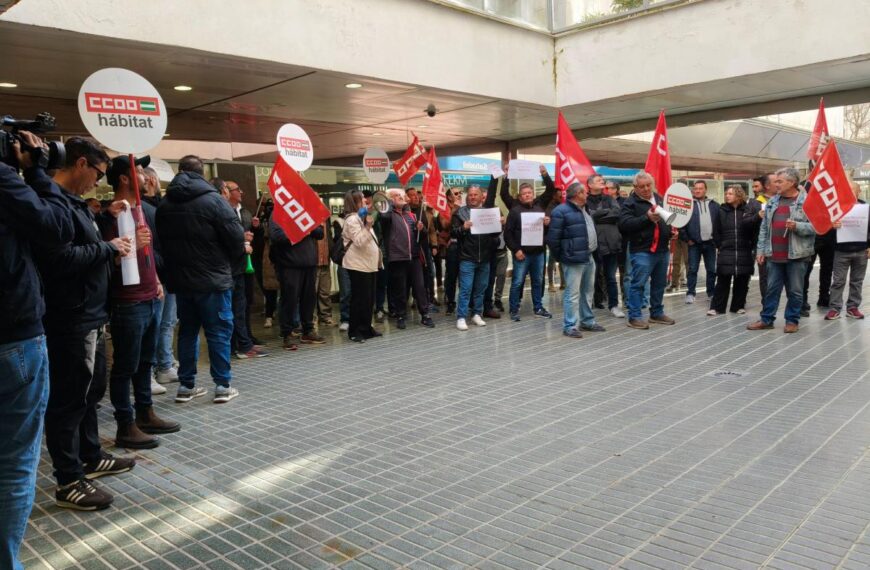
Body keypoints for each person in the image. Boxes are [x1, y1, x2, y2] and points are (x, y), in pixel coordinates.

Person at [37, 137, 136, 511]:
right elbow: (58, 258)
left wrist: (105, 221)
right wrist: (109, 249)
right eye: (96, 173)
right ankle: (68, 478)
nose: (98, 181)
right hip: (70, 316)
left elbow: (81, 244)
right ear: (80, 163)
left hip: (91, 312)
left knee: (91, 391)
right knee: (70, 398)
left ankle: (91, 456)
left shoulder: (74, 205)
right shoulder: (50, 203)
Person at [0, 131, 75, 566]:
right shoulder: (7, 181)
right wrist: (37, 172)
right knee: (13, 464)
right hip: (12, 337)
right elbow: (58, 229)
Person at [101, 156, 180, 448]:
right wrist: (132, 243)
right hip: (127, 301)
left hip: (149, 296)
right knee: (125, 365)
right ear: (124, 178)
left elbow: (153, 253)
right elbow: (107, 258)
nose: (146, 176)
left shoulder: (144, 210)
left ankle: (145, 412)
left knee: (145, 362)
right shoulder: (109, 216)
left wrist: (157, 279)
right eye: (139, 171)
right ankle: (125, 423)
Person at [156, 155, 245, 403]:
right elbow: (236, 239)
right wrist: (227, 263)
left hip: (181, 281)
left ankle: (186, 386)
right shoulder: (214, 201)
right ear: (202, 172)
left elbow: (161, 242)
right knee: (218, 332)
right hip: (213, 280)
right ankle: (222, 385)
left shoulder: (165, 204)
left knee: (187, 332)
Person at [748, 167, 816, 333]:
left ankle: (792, 321)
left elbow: (817, 227)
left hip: (797, 256)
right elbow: (764, 228)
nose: (775, 184)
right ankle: (767, 319)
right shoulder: (772, 202)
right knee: (771, 290)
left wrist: (798, 226)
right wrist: (761, 251)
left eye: (779, 181)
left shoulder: (807, 201)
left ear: (792, 182)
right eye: (775, 181)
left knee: (795, 291)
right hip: (774, 255)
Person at [618, 171, 676, 329]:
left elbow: (664, 220)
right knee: (638, 284)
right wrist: (646, 218)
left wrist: (670, 231)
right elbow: (624, 225)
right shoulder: (630, 203)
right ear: (635, 187)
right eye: (641, 186)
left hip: (662, 249)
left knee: (659, 284)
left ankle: (656, 313)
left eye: (648, 185)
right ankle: (634, 317)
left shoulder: (658, 198)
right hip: (642, 250)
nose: (645, 189)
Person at [548, 182, 606, 338]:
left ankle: (587, 321)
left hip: (589, 256)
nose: (587, 195)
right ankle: (570, 325)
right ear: (578, 194)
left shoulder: (584, 209)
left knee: (588, 291)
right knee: (572, 294)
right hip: (573, 259)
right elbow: (553, 239)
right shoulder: (560, 211)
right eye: (584, 192)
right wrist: (563, 256)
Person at [502, 163, 556, 320]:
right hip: (522, 253)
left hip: (539, 252)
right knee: (518, 282)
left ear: (533, 194)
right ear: (519, 196)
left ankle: (538, 308)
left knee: (538, 281)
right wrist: (516, 250)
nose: (527, 195)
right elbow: (508, 234)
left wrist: (545, 174)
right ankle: (513, 309)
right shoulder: (514, 208)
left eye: (529, 192)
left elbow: (551, 190)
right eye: (524, 193)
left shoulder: (540, 204)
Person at [270, 206, 327, 348]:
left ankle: (308, 330)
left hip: (309, 262)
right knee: (289, 299)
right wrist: (299, 231)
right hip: (289, 265)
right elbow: (276, 236)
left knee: (309, 299)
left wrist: (309, 227)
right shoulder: (278, 213)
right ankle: (287, 333)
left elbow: (320, 233)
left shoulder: (304, 211)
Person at [378, 189, 434, 329]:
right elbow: (383, 217)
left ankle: (425, 315)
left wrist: (421, 229)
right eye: (397, 196)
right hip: (398, 258)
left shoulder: (412, 216)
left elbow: (421, 237)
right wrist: (390, 201)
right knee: (400, 289)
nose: (402, 197)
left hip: (414, 257)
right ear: (390, 200)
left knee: (420, 287)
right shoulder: (388, 216)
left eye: (402, 195)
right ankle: (401, 315)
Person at [224, 181, 267, 359]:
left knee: (245, 303)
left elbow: (257, 240)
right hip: (231, 266)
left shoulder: (246, 212)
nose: (241, 192)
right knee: (234, 307)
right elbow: (227, 237)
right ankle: (238, 343)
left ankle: (246, 337)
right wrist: (241, 240)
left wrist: (256, 229)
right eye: (237, 190)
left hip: (246, 264)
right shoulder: (224, 212)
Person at [452, 181, 499, 330]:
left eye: (475, 195)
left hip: (484, 257)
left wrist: (499, 224)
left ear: (481, 197)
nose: (472, 197)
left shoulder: (488, 211)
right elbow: (453, 233)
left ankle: (477, 314)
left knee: (481, 288)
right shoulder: (459, 213)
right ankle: (461, 317)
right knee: (466, 289)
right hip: (467, 258)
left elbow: (495, 234)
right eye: (470, 195)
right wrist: (463, 228)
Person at [707, 186, 761, 315]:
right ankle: (717, 307)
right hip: (726, 249)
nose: (727, 196)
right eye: (726, 194)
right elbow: (716, 230)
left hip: (744, 249)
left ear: (738, 195)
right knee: (722, 279)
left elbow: (753, 229)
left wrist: (751, 245)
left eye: (730, 194)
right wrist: (720, 245)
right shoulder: (722, 210)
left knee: (742, 279)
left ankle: (738, 306)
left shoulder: (747, 210)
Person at [341, 190, 383, 342]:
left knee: (368, 299)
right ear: (355, 202)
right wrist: (367, 227)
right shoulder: (352, 220)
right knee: (359, 299)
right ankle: (354, 331)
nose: (365, 200)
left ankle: (366, 328)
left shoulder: (361, 218)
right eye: (362, 199)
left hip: (368, 264)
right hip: (357, 265)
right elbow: (359, 241)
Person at [825, 181, 869, 320]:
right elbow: (823, 230)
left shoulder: (865, 208)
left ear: (858, 191)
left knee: (857, 281)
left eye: (851, 190)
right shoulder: (836, 209)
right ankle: (834, 308)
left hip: (862, 250)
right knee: (838, 281)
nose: (848, 193)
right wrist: (832, 226)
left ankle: (853, 307)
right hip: (841, 250)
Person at [585, 174, 624, 317]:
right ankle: (592, 303)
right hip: (592, 244)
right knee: (591, 276)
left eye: (602, 180)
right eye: (598, 180)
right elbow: (586, 216)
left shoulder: (609, 199)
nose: (602, 182)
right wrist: (604, 213)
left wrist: (597, 215)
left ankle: (613, 305)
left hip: (611, 243)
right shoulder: (585, 200)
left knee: (611, 277)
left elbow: (617, 213)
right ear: (589, 185)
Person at [681, 181, 719, 304]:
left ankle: (711, 293)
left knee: (711, 270)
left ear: (705, 190)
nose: (697, 191)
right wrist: (687, 239)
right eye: (695, 188)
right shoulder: (687, 205)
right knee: (692, 269)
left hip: (710, 243)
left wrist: (717, 241)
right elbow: (680, 224)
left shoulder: (714, 205)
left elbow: (720, 224)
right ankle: (690, 293)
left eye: (700, 188)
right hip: (694, 244)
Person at [752, 174, 776, 299]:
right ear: (767, 186)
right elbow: (745, 223)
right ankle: (767, 305)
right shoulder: (755, 203)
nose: (778, 183)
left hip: (781, 245)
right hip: (763, 246)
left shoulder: (783, 200)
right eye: (775, 181)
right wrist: (757, 216)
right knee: (765, 277)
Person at [442, 187, 463, 314]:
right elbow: (445, 225)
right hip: (453, 246)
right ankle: (450, 302)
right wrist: (455, 209)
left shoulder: (466, 207)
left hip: (466, 246)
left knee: (465, 276)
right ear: (449, 197)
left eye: (460, 193)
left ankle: (464, 302)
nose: (459, 195)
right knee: (451, 276)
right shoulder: (445, 209)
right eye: (456, 193)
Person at [315, 218, 335, 326]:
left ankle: (325, 316)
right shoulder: (308, 218)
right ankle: (311, 319)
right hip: (313, 261)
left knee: (325, 291)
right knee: (311, 293)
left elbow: (329, 236)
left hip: (325, 259)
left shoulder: (325, 218)